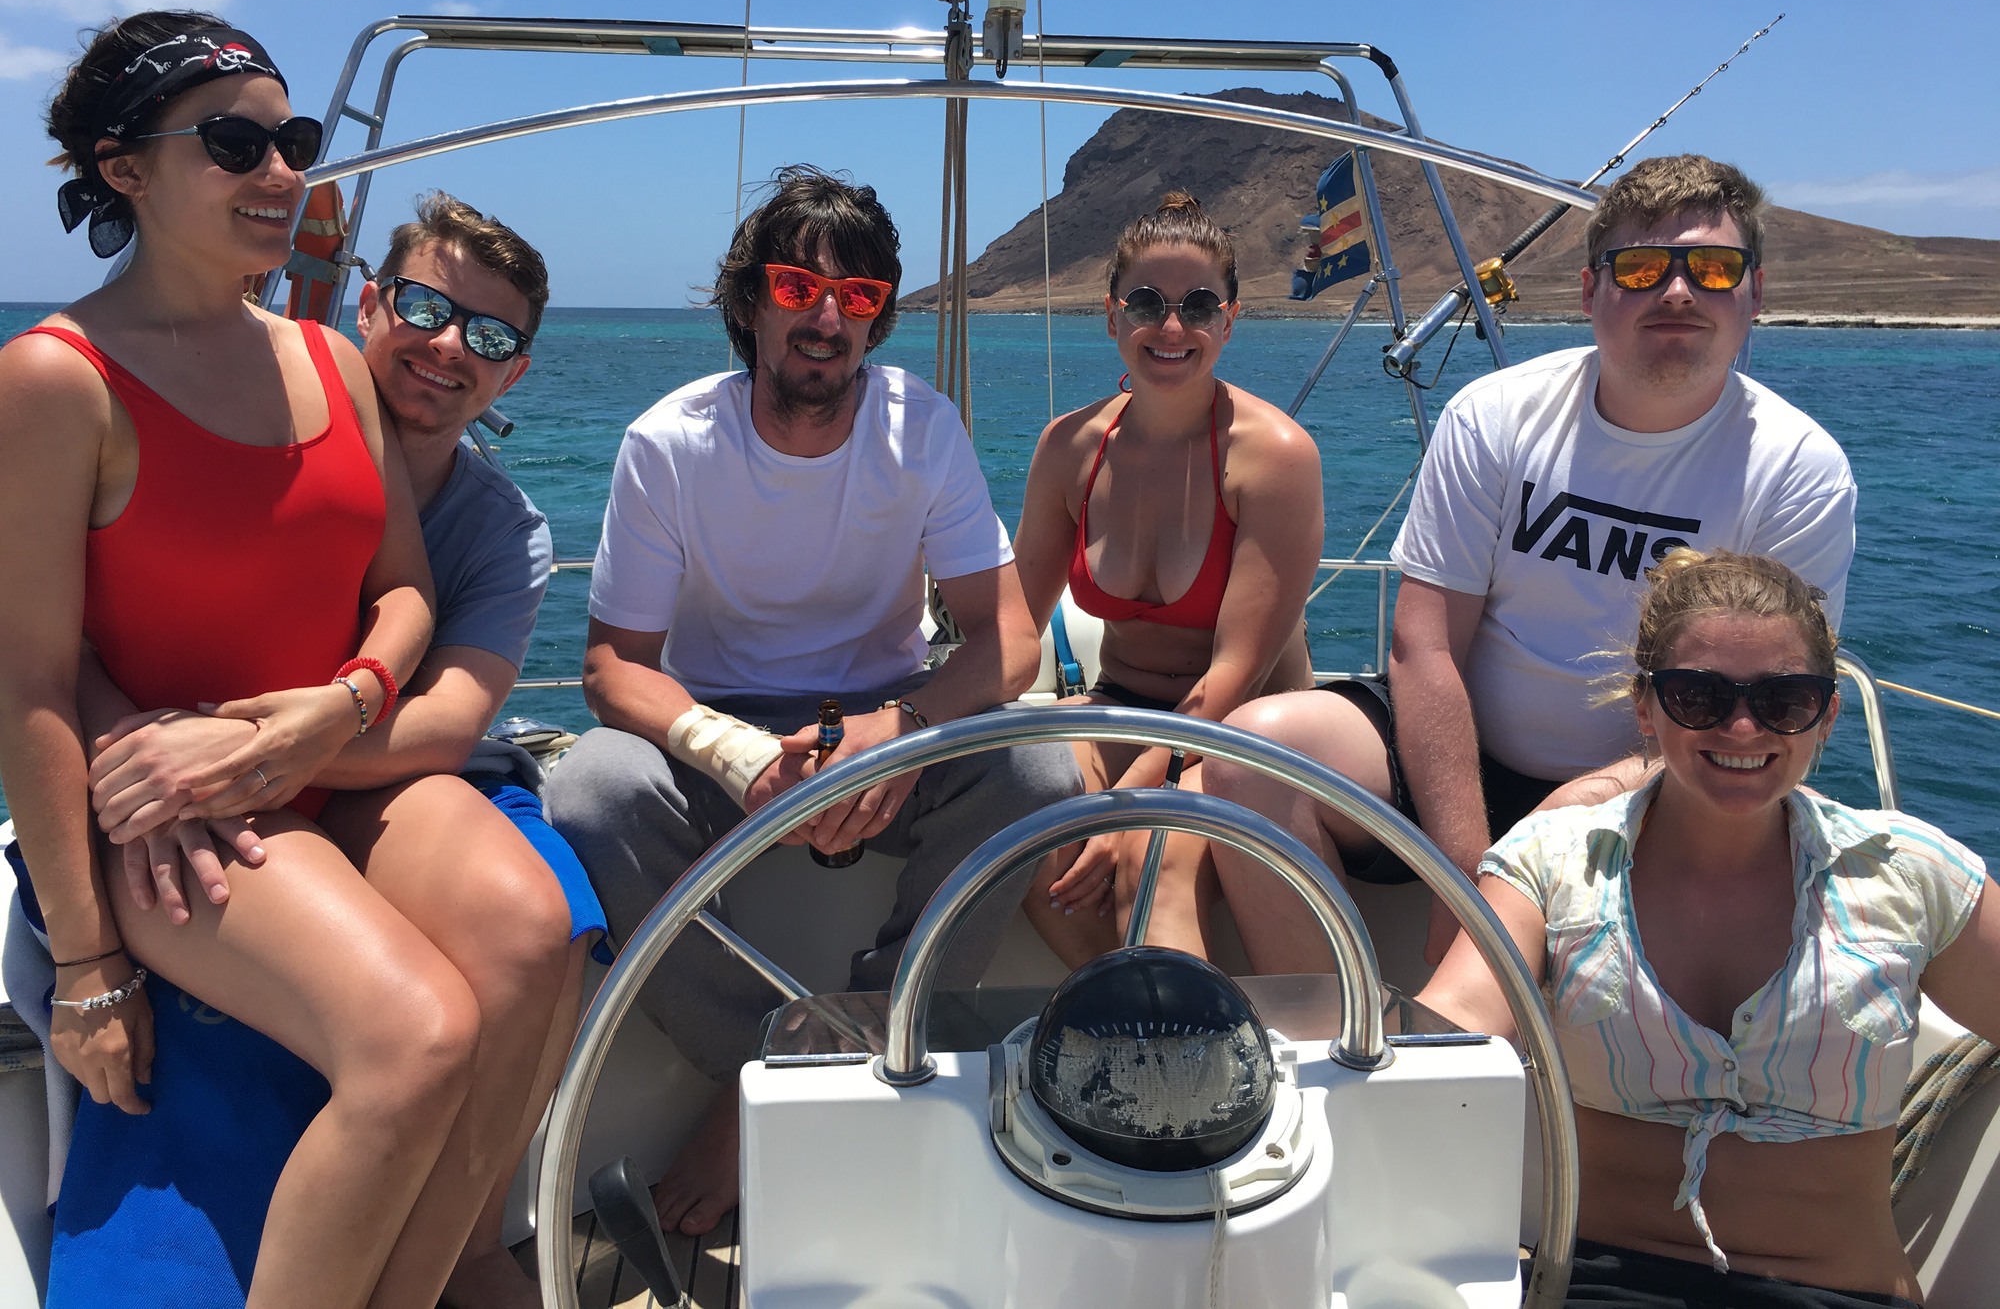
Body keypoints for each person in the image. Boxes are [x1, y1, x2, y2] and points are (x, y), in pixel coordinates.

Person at [0, 10, 571, 1309]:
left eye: (291, 142)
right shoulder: (56, 378)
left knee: (533, 931)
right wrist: (87, 965)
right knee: (418, 1036)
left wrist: (334, 710)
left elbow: (406, 590)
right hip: (175, 816)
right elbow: (27, 677)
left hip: (316, 767)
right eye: (233, 143)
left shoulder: (328, 359)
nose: (279, 173)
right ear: (123, 166)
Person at [546, 165, 1082, 1237]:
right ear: (747, 303)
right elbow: (613, 667)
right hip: (719, 730)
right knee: (593, 793)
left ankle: (858, 1030)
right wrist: (733, 752)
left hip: (882, 716)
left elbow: (1009, 638)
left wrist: (900, 731)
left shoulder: (918, 430)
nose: (827, 316)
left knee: (1034, 772)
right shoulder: (671, 444)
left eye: (858, 295)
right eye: (796, 288)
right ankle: (776, 1070)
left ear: (879, 314)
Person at [1203, 154, 1858, 967]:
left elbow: (1760, 710)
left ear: (1754, 294)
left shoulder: (1797, 469)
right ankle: (1333, 1044)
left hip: (1661, 782)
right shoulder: (1496, 417)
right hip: (1461, 749)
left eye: (1716, 269)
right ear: (1592, 294)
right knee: (1253, 758)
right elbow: (1426, 646)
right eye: (1643, 267)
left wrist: (1562, 826)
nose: (1679, 292)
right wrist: (1468, 880)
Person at [1418, 549, 1999, 1307]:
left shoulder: (1911, 874)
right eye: (1698, 695)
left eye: (1784, 699)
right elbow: (1453, 1021)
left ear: (1827, 712)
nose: (1743, 725)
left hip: (1843, 1294)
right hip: (1597, 1283)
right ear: (1644, 706)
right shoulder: (1553, 862)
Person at [1010, 191, 1322, 964]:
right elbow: (1015, 627)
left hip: (1245, 728)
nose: (1172, 327)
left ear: (1230, 320)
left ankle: (1192, 1063)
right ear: (1113, 315)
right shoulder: (1070, 448)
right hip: (1118, 711)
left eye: (1199, 305)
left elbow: (1235, 674)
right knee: (1023, 832)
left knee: (1150, 862)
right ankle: (1125, 1027)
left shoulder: (1274, 456)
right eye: (1147, 302)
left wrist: (1126, 803)